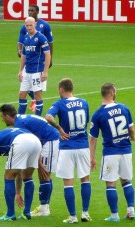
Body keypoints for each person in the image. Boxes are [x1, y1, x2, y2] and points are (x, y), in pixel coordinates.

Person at [89, 83, 135, 222]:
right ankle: (131, 210)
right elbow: (131, 130)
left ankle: (114, 216)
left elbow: (93, 139)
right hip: (126, 151)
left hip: (111, 153)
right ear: (111, 93)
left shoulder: (98, 114)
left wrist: (92, 157)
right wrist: (133, 138)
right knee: (126, 181)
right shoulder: (124, 108)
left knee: (111, 183)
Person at [45, 78, 92, 223]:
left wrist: (59, 128)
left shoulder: (59, 103)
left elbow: (48, 117)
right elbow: (86, 123)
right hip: (83, 146)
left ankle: (72, 216)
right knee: (85, 179)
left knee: (68, 183)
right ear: (72, 88)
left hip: (67, 147)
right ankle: (85, 213)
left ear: (61, 90)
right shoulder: (84, 102)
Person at [0, 104, 59, 216]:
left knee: (44, 174)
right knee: (34, 173)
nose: (2, 119)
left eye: (2, 117)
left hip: (50, 140)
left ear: (7, 116)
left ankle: (44, 208)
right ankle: (43, 207)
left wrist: (40, 165)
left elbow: (33, 142)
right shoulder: (20, 120)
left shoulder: (20, 124)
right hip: (44, 140)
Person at [0, 128, 41, 221]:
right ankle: (26, 213)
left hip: (21, 142)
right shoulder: (4, 139)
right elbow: (18, 170)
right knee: (28, 176)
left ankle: (10, 214)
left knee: (8, 176)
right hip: (36, 141)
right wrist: (18, 192)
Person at [17, 4, 54, 113]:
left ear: (35, 25)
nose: (29, 27)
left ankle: (37, 119)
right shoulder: (26, 37)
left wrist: (45, 72)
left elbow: (47, 54)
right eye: (27, 25)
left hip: (37, 71)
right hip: (27, 71)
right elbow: (23, 55)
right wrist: (20, 71)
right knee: (21, 94)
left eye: (31, 25)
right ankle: (20, 118)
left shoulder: (41, 38)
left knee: (38, 95)